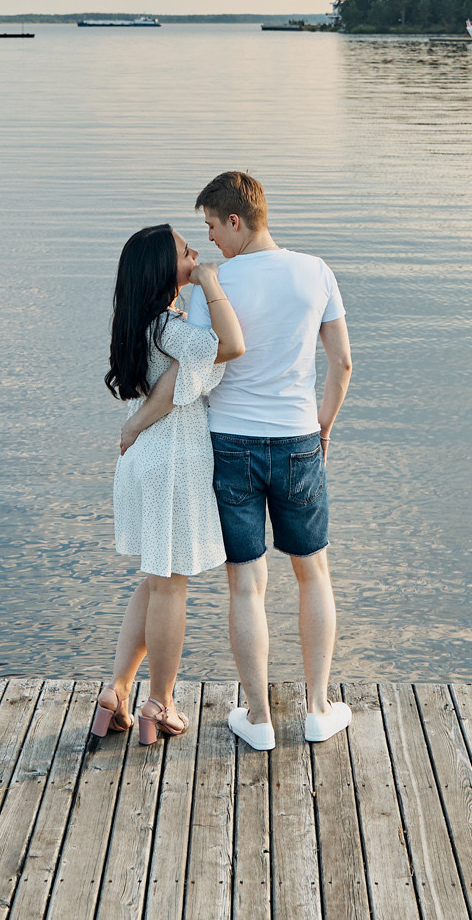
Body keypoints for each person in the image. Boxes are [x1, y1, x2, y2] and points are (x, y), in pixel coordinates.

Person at [195, 170, 353, 749]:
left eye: (212, 226)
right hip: (297, 440)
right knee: (312, 572)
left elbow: (196, 367)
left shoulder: (212, 284)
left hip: (230, 442)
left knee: (245, 584)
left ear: (234, 220)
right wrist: (323, 428)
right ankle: (316, 709)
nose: (210, 238)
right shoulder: (315, 271)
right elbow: (341, 364)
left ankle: (258, 720)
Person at [96, 223, 246, 747]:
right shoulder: (169, 327)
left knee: (157, 580)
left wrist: (135, 426)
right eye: (187, 250)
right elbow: (231, 343)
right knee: (170, 583)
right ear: (165, 268)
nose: (196, 252)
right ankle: (160, 701)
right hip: (172, 464)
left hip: (150, 459)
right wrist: (210, 282)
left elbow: (176, 383)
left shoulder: (151, 324)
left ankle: (116, 691)